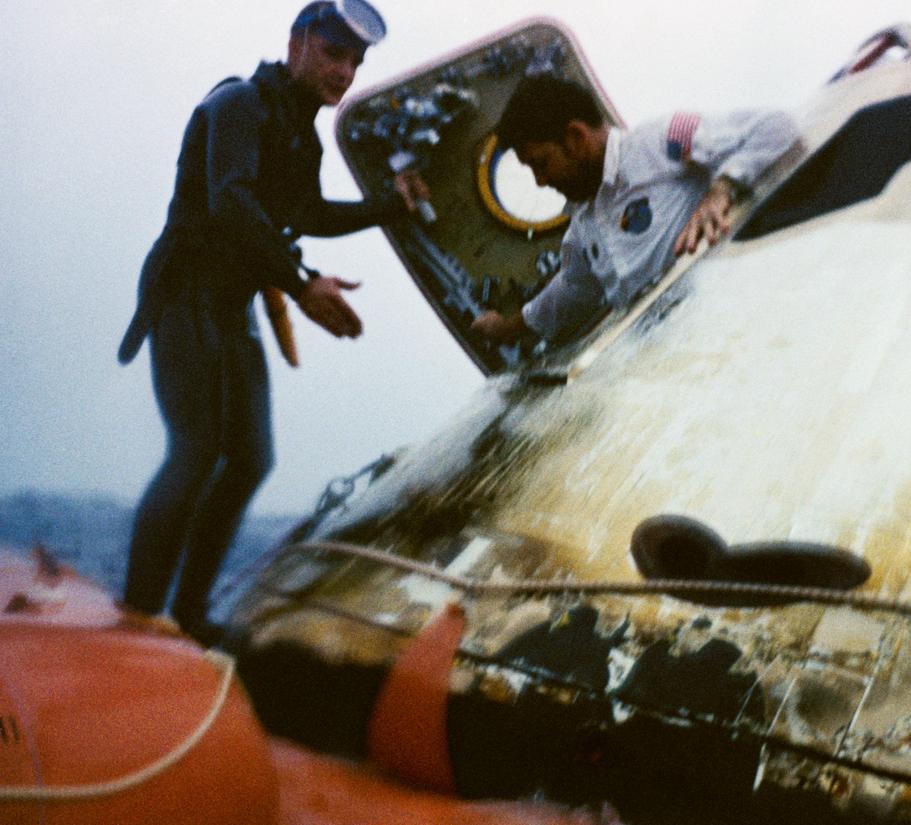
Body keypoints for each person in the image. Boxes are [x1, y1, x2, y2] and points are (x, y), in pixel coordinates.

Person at [116, 0, 428, 644]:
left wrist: (387, 210)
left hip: (233, 305)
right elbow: (230, 200)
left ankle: (191, 614)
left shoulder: (301, 135)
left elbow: (305, 211)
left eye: (355, 61)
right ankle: (138, 612)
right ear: (297, 43)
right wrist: (302, 282)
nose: (344, 71)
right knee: (198, 448)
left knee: (253, 458)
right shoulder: (237, 106)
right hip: (185, 295)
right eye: (333, 53)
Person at [470, 75, 800, 345]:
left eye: (541, 164)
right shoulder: (581, 232)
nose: (540, 182)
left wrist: (720, 192)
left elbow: (776, 126)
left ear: (576, 138)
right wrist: (504, 330)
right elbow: (567, 293)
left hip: (720, 324)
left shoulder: (664, 141)